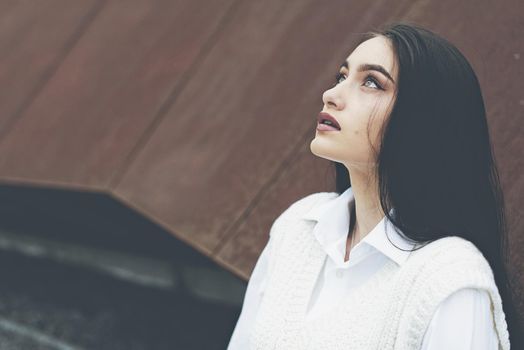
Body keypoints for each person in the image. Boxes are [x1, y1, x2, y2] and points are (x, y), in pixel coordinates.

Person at [227, 21, 519, 349]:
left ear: (422, 121)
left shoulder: (449, 279)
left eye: (371, 82)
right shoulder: (297, 227)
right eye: (342, 76)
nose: (331, 95)